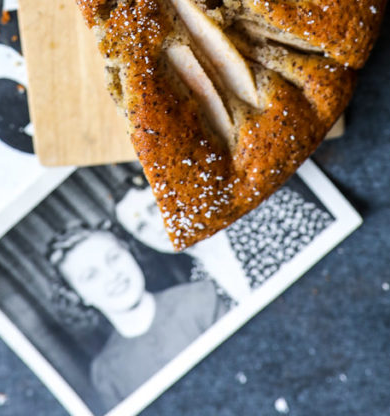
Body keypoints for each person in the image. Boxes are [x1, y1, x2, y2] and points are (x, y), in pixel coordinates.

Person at [49, 226, 226, 411]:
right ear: (78, 296)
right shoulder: (105, 372)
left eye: (114, 257)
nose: (112, 275)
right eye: (91, 276)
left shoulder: (200, 298)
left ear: (130, 253)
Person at [115, 176, 252, 302]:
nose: (158, 227)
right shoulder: (199, 286)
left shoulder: (257, 220)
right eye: (142, 227)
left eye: (155, 208)